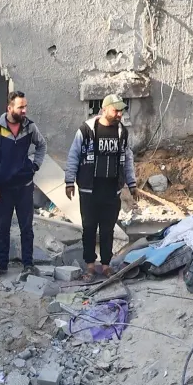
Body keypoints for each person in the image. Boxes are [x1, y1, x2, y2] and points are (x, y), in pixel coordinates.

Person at [64, 94, 138, 277]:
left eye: (121, 110)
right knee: (89, 227)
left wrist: (132, 183)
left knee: (108, 228)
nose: (120, 114)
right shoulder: (86, 130)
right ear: (105, 109)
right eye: (116, 110)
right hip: (89, 189)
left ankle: (106, 265)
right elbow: (74, 155)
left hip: (112, 189)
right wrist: (69, 181)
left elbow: (127, 159)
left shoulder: (122, 132)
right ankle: (89, 264)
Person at [0, 92, 45, 278]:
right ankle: (1, 266)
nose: (24, 110)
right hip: (3, 189)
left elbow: (42, 145)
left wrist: (34, 165)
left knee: (26, 228)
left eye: (25, 106)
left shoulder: (30, 127)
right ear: (9, 108)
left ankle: (28, 264)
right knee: (3, 228)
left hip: (25, 186)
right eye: (20, 107)